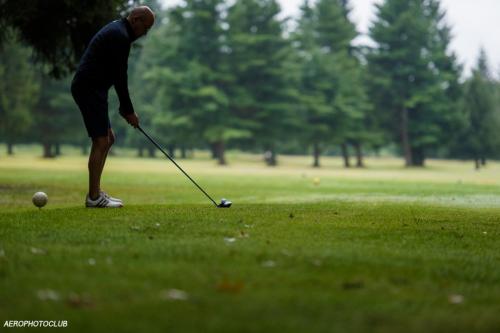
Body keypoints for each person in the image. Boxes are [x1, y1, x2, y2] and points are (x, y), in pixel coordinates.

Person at [71, 6, 155, 208]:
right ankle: (93, 198)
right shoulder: (120, 36)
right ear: (135, 19)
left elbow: (117, 75)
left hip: (95, 89)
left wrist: (124, 109)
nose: (145, 33)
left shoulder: (120, 32)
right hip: (88, 89)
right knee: (101, 141)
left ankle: (96, 193)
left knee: (109, 139)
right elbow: (120, 77)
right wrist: (128, 110)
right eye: (146, 27)